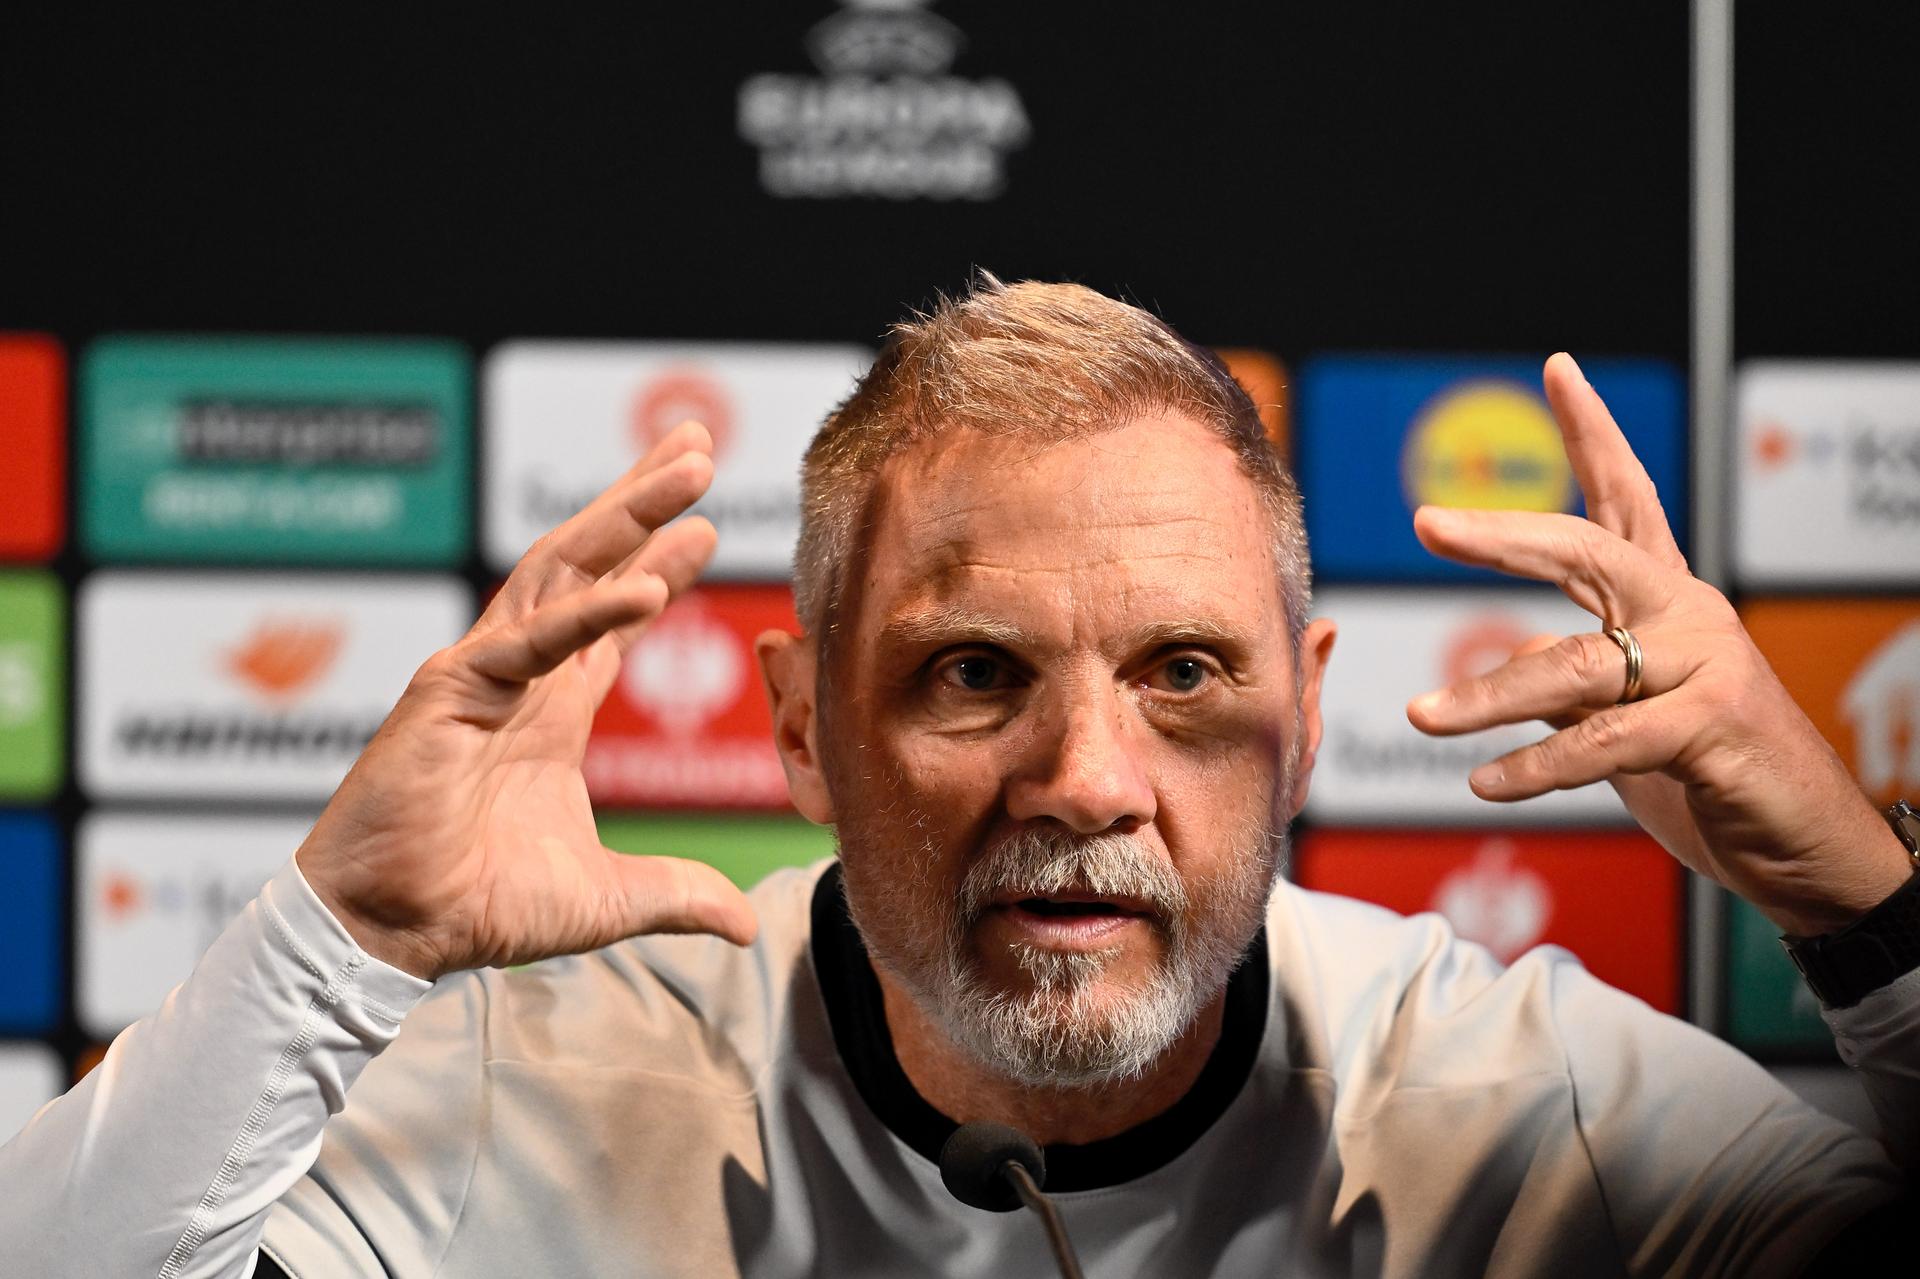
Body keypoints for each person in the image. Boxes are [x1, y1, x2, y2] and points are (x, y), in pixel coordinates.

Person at [4, 279, 1916, 1277]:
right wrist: (341, 939)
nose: (1083, 777)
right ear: (800, 730)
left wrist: (1863, 900)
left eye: (1184, 673)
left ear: (1309, 714)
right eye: (973, 674)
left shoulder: (1530, 1104)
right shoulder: (535, 1081)